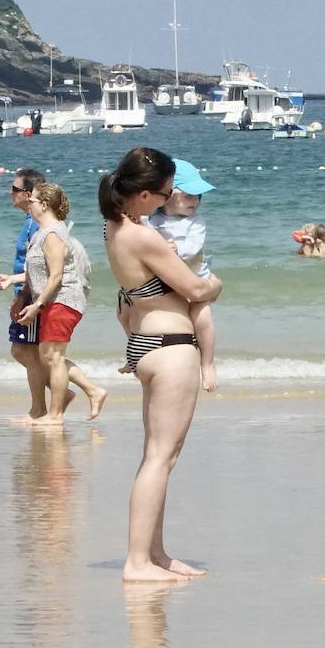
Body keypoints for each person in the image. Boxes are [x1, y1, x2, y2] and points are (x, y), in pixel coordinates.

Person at [99, 146, 223, 583]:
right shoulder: (144, 236)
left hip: (146, 344)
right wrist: (216, 283)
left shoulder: (114, 228)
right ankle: (138, 562)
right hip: (171, 346)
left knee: (156, 456)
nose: (173, 197)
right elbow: (195, 289)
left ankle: (154, 553)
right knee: (160, 458)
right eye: (168, 191)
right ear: (148, 194)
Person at [0, 168, 107, 422]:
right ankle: (64, 401)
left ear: (42, 203)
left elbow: (55, 275)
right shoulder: (42, 228)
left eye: (27, 197)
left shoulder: (49, 230)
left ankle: (49, 411)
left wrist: (29, 300)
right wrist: (14, 281)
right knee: (42, 355)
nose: (14, 196)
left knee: (45, 355)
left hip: (56, 300)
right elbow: (37, 270)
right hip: (45, 298)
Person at [142, 159, 220, 392]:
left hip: (194, 278)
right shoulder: (152, 219)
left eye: (198, 197)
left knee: (203, 316)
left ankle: (207, 363)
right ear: (167, 194)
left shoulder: (195, 222)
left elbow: (195, 246)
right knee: (129, 310)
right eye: (188, 195)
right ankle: (136, 354)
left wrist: (177, 250)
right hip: (166, 283)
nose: (195, 201)